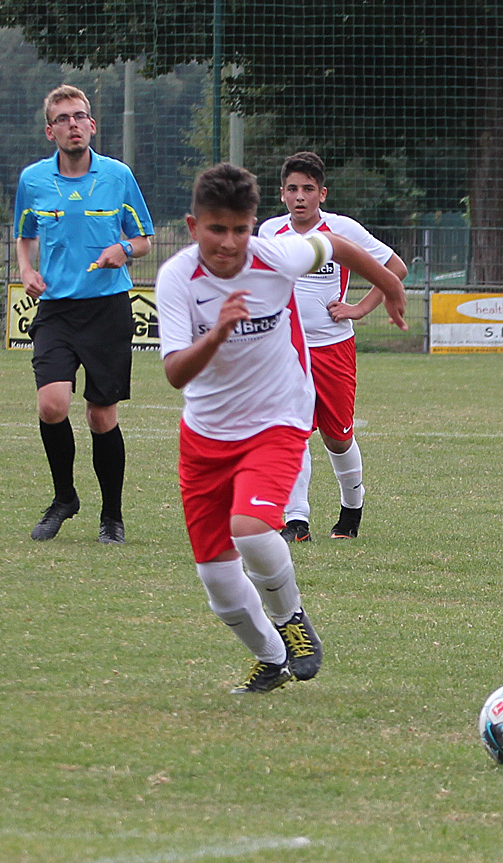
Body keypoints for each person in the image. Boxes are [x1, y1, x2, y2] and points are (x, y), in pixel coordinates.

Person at [156, 163, 407, 694]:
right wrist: (219, 331)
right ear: (191, 225)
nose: (229, 243)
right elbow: (176, 371)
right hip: (205, 434)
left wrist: (387, 286)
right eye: (215, 229)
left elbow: (337, 247)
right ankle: (271, 658)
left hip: (277, 418)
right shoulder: (177, 278)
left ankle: (291, 618)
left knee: (250, 528)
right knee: (218, 582)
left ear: (253, 225)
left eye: (240, 229)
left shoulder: (275, 254)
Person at [14, 84, 154, 544]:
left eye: (79, 116)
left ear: (92, 125)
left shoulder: (118, 176)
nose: (72, 124)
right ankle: (64, 498)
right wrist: (27, 269)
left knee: (101, 416)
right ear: (49, 130)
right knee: (52, 405)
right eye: (63, 118)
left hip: (107, 309)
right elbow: (25, 234)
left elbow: (144, 239)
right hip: (55, 310)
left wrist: (123, 249)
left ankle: (111, 517)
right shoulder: (32, 180)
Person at [258, 151, 408, 541]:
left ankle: (351, 510)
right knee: (291, 432)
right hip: (286, 351)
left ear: (322, 193)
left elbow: (396, 268)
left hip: (333, 350)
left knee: (338, 437)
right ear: (282, 194)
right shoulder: (270, 233)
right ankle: (297, 520)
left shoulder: (341, 231)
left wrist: (359, 308)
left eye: (308, 189)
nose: (300, 196)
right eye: (292, 189)